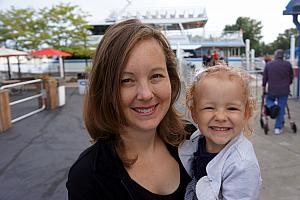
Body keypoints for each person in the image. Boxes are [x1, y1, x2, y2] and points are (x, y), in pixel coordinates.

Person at [66, 19, 191, 199]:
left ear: (170, 80)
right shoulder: (88, 177)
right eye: (126, 80)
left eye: (156, 76)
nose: (146, 94)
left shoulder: (193, 140)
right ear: (106, 91)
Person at [179, 65, 262, 200]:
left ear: (246, 113)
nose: (221, 117)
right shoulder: (197, 140)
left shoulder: (242, 165)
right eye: (209, 107)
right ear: (194, 113)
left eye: (232, 108)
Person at [262, 49, 294, 134]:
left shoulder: (269, 65)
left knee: (268, 100)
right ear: (283, 56)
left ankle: (272, 106)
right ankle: (277, 128)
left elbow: (264, 79)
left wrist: (264, 87)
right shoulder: (288, 64)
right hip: (284, 91)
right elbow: (291, 78)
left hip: (272, 90)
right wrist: (288, 83)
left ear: (275, 56)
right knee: (281, 108)